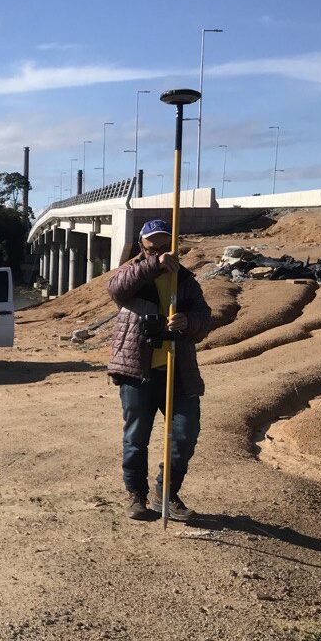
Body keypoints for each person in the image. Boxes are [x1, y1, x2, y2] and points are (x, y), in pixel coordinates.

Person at [106, 219, 212, 521]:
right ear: (143, 246)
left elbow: (205, 318)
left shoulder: (186, 280)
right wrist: (153, 264)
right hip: (138, 371)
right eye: (154, 246)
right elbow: (116, 289)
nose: (161, 251)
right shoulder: (133, 271)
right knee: (136, 437)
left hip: (178, 371)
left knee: (185, 433)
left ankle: (166, 494)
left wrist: (188, 322)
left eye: (166, 246)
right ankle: (135, 496)